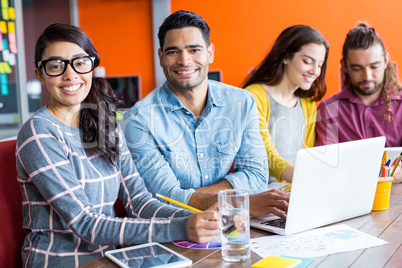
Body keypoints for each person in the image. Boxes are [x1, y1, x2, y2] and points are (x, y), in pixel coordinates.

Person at [16, 23, 220, 267]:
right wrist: (181, 227)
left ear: (92, 67)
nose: (70, 75)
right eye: (56, 66)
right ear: (40, 74)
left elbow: (139, 203)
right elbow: (86, 223)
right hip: (61, 261)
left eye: (80, 62)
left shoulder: (106, 124)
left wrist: (201, 220)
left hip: (111, 259)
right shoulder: (39, 132)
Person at [123, 10, 289, 218]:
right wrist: (239, 202)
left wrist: (187, 197)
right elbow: (162, 200)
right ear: (160, 57)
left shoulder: (241, 102)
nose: (184, 60)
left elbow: (256, 176)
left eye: (194, 49)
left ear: (210, 52)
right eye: (173, 52)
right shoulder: (139, 120)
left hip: (229, 225)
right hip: (171, 232)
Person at [315, 23, 402, 183]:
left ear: (386, 61)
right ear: (345, 66)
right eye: (357, 68)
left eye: (374, 66)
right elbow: (325, 168)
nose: (367, 76)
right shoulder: (328, 110)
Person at [243, 25, 329, 183]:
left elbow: (307, 154)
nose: (315, 71)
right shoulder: (255, 96)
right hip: (261, 193)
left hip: (294, 189)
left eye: (320, 64)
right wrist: (305, 179)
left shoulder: (307, 103)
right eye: (307, 61)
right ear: (286, 57)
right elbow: (265, 154)